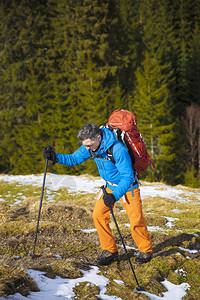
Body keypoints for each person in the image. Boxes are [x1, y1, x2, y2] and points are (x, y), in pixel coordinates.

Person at [43, 123, 153, 265]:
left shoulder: (117, 149)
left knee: (135, 220)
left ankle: (145, 251)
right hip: (109, 187)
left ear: (98, 137)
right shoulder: (91, 146)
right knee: (98, 215)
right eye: (85, 145)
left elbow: (128, 177)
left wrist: (114, 195)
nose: (87, 148)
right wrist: (55, 157)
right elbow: (74, 159)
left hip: (128, 187)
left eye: (89, 145)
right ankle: (110, 250)